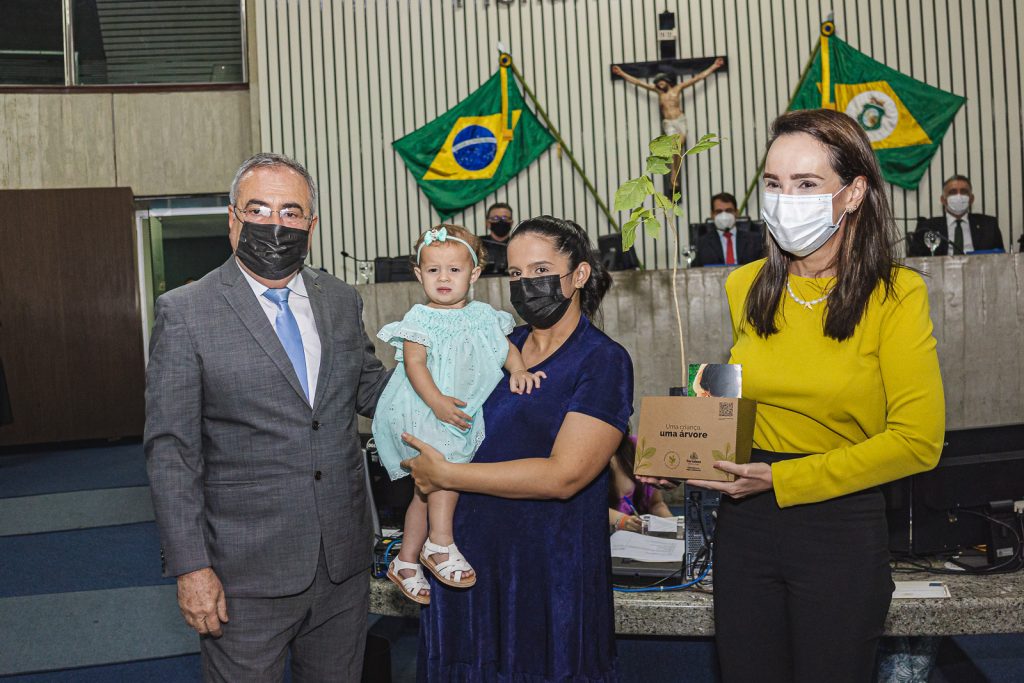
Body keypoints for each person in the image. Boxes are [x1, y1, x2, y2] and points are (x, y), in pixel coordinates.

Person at [680, 109, 945, 683]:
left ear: (853, 194)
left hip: (838, 524)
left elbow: (918, 443)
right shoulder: (743, 284)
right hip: (745, 524)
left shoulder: (897, 295)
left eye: (806, 185)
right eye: (773, 184)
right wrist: (692, 438)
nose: (784, 199)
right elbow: (749, 401)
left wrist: (782, 480)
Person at [145, 152, 391, 682]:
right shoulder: (185, 312)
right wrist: (192, 568)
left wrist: (466, 368)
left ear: (311, 225)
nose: (274, 225)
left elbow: (373, 390)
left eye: (290, 212)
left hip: (342, 564)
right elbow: (172, 454)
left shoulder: (340, 300)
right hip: (243, 574)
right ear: (233, 220)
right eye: (258, 209)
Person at [400, 216, 634, 681]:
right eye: (515, 274)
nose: (527, 284)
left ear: (579, 275)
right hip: (463, 567)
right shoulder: (496, 344)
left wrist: (446, 475)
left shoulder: (602, 360)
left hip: (545, 581)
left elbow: (564, 476)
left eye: (541, 270)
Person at [373, 224, 544, 604]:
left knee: (426, 489)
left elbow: (505, 350)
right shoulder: (420, 318)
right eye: (433, 270)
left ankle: (405, 560)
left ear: (475, 274)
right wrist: (435, 401)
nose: (444, 278)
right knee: (445, 474)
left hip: (455, 410)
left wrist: (518, 370)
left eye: (454, 270)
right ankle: (441, 543)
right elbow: (415, 365)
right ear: (419, 275)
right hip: (422, 408)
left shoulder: (485, 316)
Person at [612, 58, 725, 186]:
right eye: (658, 83)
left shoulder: (677, 89)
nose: (660, 84)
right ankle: (674, 175)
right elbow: (638, 82)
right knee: (675, 148)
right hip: (669, 124)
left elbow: (697, 78)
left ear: (667, 81)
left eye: (661, 82)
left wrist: (714, 66)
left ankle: (674, 173)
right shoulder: (659, 93)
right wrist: (621, 73)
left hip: (680, 121)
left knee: (679, 145)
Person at [908, 175, 1004, 255]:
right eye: (952, 192)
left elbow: (1001, 259)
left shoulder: (989, 225)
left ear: (971, 199)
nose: (959, 196)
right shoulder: (927, 227)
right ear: (943, 200)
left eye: (964, 192)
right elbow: (915, 261)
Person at [609, 434, 672, 533]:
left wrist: (672, 524)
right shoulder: (584, 458)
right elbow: (584, 509)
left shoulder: (639, 448)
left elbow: (656, 504)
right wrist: (622, 520)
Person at [694, 192, 764, 267]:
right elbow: (696, 271)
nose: (724, 216)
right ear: (712, 215)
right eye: (719, 211)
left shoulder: (754, 240)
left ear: (736, 213)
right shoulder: (703, 243)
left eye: (729, 210)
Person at [480, 202, 513, 276]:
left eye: (505, 218)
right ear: (488, 223)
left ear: (511, 223)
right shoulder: (477, 245)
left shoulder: (519, 245)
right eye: (495, 218)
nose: (501, 221)